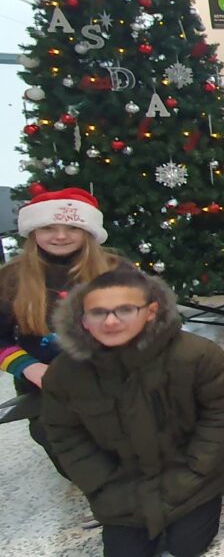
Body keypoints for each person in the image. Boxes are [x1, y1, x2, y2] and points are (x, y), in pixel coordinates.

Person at [43, 269, 224, 555]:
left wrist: (198, 469)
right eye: (98, 313)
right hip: (122, 483)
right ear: (83, 320)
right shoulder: (63, 375)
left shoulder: (196, 355)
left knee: (186, 546)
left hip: (189, 473)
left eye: (125, 310)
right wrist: (103, 486)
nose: (111, 321)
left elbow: (220, 412)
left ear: (151, 311)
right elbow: (65, 436)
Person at [0, 187, 129, 477]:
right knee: (82, 461)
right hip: (47, 388)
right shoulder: (10, 278)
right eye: (48, 227)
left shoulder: (116, 268)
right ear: (33, 231)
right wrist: (31, 369)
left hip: (116, 380)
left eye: (71, 227)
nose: (60, 236)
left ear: (88, 230)